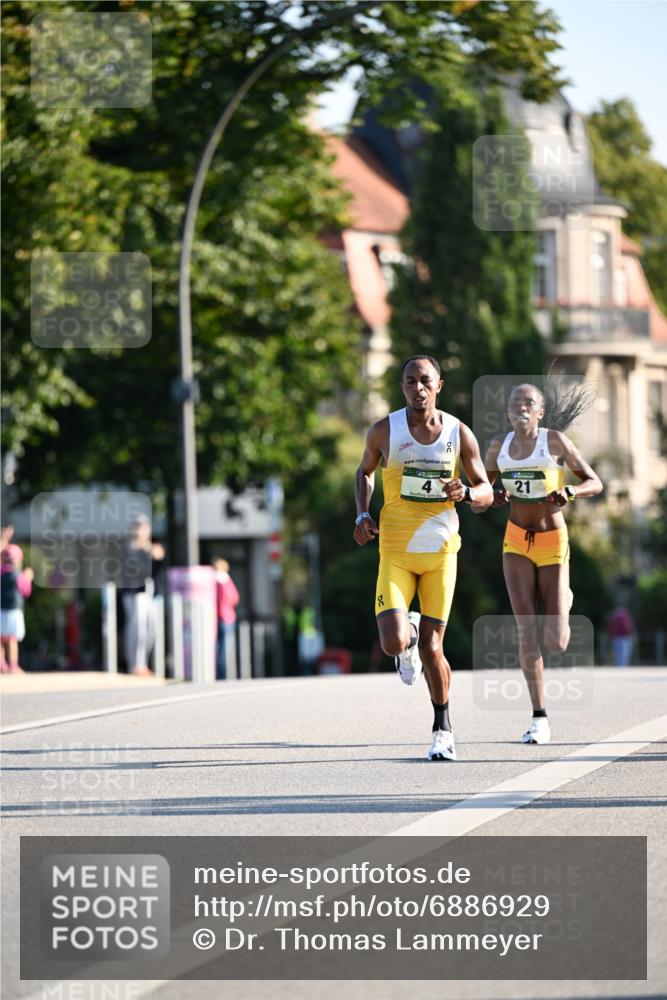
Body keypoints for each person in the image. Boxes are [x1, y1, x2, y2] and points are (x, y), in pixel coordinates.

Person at [354, 355, 493, 761]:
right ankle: (407, 636)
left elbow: (485, 489)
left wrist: (466, 493)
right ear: (402, 387)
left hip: (440, 552)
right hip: (395, 551)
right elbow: (363, 472)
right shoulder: (385, 430)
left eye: (425, 381)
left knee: (434, 649)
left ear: (439, 385)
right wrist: (362, 513)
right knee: (394, 641)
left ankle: (442, 729)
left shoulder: (458, 433)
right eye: (410, 381)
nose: (418, 388)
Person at [476, 381, 603, 744]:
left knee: (558, 641)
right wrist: (491, 496)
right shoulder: (498, 447)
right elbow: (480, 493)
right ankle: (539, 717)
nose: (521, 406)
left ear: (540, 411)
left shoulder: (555, 442)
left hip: (552, 540)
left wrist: (571, 491)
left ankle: (564, 595)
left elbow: (595, 482)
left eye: (528, 402)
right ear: (507, 411)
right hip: (515, 540)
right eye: (515, 401)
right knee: (526, 630)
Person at [119, 514, 164, 676]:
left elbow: (155, 573)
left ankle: (144, 662)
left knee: (152, 630)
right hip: (134, 594)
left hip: (151, 594)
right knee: (137, 630)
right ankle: (135, 664)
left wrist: (157, 559)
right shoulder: (129, 548)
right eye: (138, 527)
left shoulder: (150, 548)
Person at [1, 542, 33, 674]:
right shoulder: (19, 575)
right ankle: (13, 665)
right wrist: (28, 578)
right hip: (14, 610)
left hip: (0, 610)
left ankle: (2, 664)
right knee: (12, 639)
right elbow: (26, 591)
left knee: (1, 639)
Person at [213, 557, 240, 679]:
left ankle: (218, 673)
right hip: (225, 618)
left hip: (216, 618)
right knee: (224, 649)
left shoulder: (213, 581)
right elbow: (233, 598)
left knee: (218, 648)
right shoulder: (224, 580)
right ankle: (222, 675)